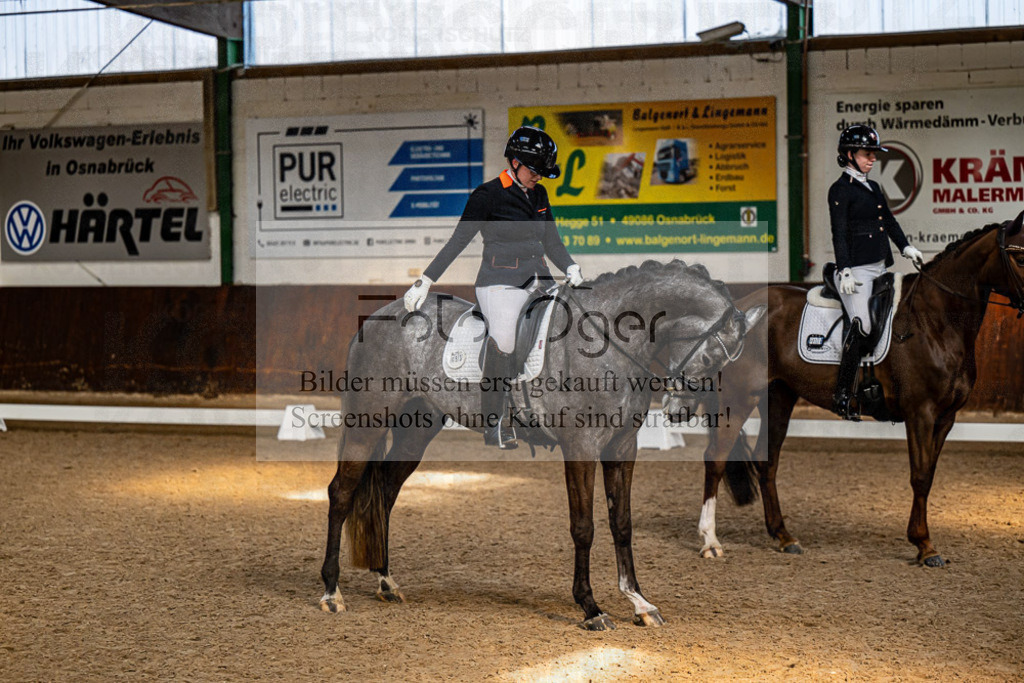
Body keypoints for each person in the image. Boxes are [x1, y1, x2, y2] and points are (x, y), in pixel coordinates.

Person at [404, 126, 583, 448]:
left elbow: (551, 241)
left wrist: (570, 266)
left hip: (540, 281)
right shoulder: (487, 195)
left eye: (542, 173)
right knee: (504, 339)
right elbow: (458, 241)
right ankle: (494, 421)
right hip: (500, 283)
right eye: (534, 171)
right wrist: (425, 280)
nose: (539, 178)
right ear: (514, 163)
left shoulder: (539, 195)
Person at [828, 124, 923, 420]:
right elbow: (839, 232)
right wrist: (844, 269)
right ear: (849, 154)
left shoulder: (873, 187)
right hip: (855, 272)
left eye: (873, 154)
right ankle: (843, 394)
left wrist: (906, 247)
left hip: (882, 268)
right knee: (864, 325)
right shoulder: (840, 190)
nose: (872, 159)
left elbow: (890, 222)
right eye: (867, 154)